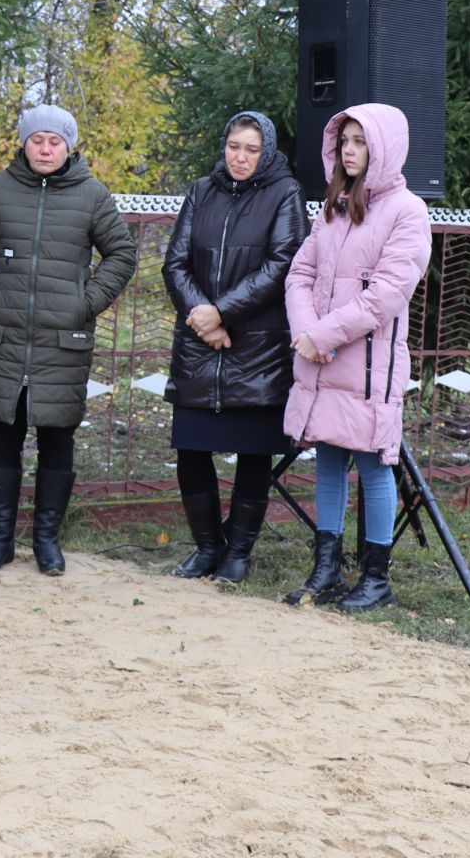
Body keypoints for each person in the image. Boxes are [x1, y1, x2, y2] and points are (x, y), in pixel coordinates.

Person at [0, 105, 137, 576]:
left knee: (58, 438)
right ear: (24, 143)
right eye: (38, 140)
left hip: (63, 341)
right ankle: (0, 540)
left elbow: (121, 253)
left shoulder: (93, 195)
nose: (46, 148)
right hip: (4, 338)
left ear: (69, 146)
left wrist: (84, 301)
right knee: (3, 434)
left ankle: (47, 541)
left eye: (55, 141)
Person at [283, 103, 432, 613]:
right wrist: (306, 332)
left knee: (372, 463)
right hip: (321, 358)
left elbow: (388, 295)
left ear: (382, 147)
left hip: (367, 365)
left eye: (360, 141)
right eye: (343, 140)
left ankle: (375, 577)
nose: (349, 150)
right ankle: (326, 568)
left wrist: (323, 334)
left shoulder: (407, 211)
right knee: (327, 457)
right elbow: (300, 275)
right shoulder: (334, 206)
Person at [161, 111, 306, 586]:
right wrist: (206, 320)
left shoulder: (284, 192)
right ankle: (207, 547)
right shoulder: (202, 190)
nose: (240, 157)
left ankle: (239, 553)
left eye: (251, 149)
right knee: (191, 446)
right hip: (200, 343)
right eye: (233, 147)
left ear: (266, 151)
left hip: (256, 346)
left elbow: (283, 262)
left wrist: (223, 313)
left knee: (252, 452)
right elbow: (176, 262)